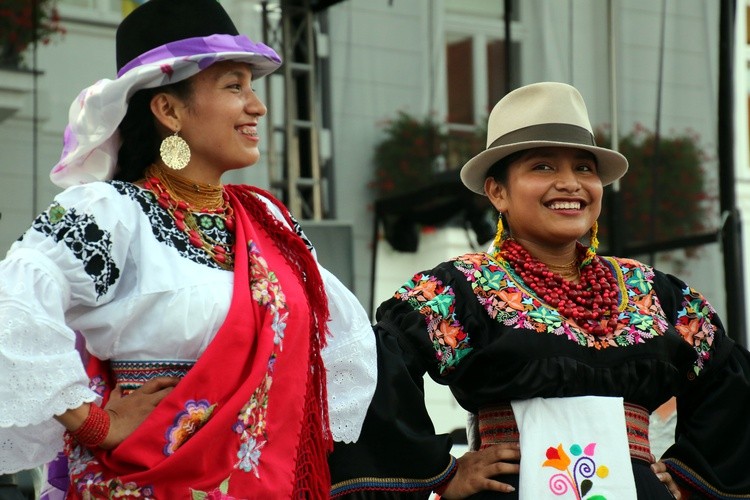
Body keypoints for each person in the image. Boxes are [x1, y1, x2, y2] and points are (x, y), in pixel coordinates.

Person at [0, 0, 377, 498]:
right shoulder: (111, 212)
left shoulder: (270, 221)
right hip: (144, 479)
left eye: (252, 86)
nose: (257, 106)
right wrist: (93, 424)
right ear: (169, 109)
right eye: (234, 86)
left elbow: (340, 344)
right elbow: (13, 305)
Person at [328, 82, 750, 499]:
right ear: (497, 191)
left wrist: (690, 474)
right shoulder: (458, 288)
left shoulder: (656, 292)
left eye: (584, 168)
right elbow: (378, 371)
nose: (570, 183)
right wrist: (442, 471)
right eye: (543, 167)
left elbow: (728, 379)